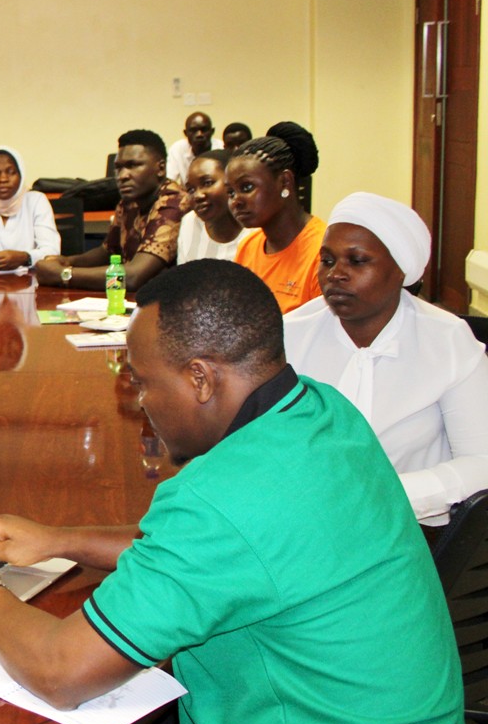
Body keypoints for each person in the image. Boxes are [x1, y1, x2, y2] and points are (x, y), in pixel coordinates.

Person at [0, 260, 476, 724]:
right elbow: (233, 554)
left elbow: (62, 671)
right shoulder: (322, 413)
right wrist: (60, 540)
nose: (138, 401)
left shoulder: (220, 497)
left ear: (201, 378)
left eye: (143, 380)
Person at [285, 193, 488, 527]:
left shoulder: (447, 341)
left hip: (412, 530)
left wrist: (386, 494)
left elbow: (480, 462)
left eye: (357, 260)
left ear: (401, 271)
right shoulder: (290, 335)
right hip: (306, 525)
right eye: (328, 259)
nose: (336, 274)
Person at [33, 130, 185, 291]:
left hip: (170, 304)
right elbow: (107, 252)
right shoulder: (128, 202)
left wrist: (63, 274)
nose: (123, 175)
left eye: (133, 165)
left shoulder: (173, 202)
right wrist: (66, 261)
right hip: (134, 301)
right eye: (118, 168)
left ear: (160, 168)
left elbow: (133, 278)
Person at [228, 121, 325, 312]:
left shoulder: (323, 252)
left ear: (284, 182)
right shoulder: (248, 247)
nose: (235, 201)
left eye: (246, 187)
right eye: (230, 192)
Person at [174, 149, 243, 264]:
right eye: (191, 189)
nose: (197, 195)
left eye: (207, 183)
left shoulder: (257, 231)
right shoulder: (190, 223)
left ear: (232, 181)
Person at [163, 111, 214, 182]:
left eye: (204, 130)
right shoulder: (177, 149)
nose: (199, 134)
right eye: (193, 130)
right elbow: (168, 180)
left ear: (212, 131)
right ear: (185, 133)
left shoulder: (222, 148)